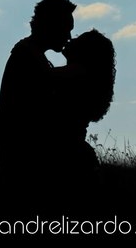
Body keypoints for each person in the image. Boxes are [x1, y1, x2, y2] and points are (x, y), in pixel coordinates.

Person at [0, 0, 75, 180]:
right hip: (23, 155)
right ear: (51, 25)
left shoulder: (29, 53)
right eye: (66, 29)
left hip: (21, 152)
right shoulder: (27, 55)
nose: (69, 36)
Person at [51, 29, 115, 173]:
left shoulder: (75, 73)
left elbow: (38, 78)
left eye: (77, 40)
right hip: (73, 149)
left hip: (64, 151)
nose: (71, 40)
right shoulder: (88, 77)